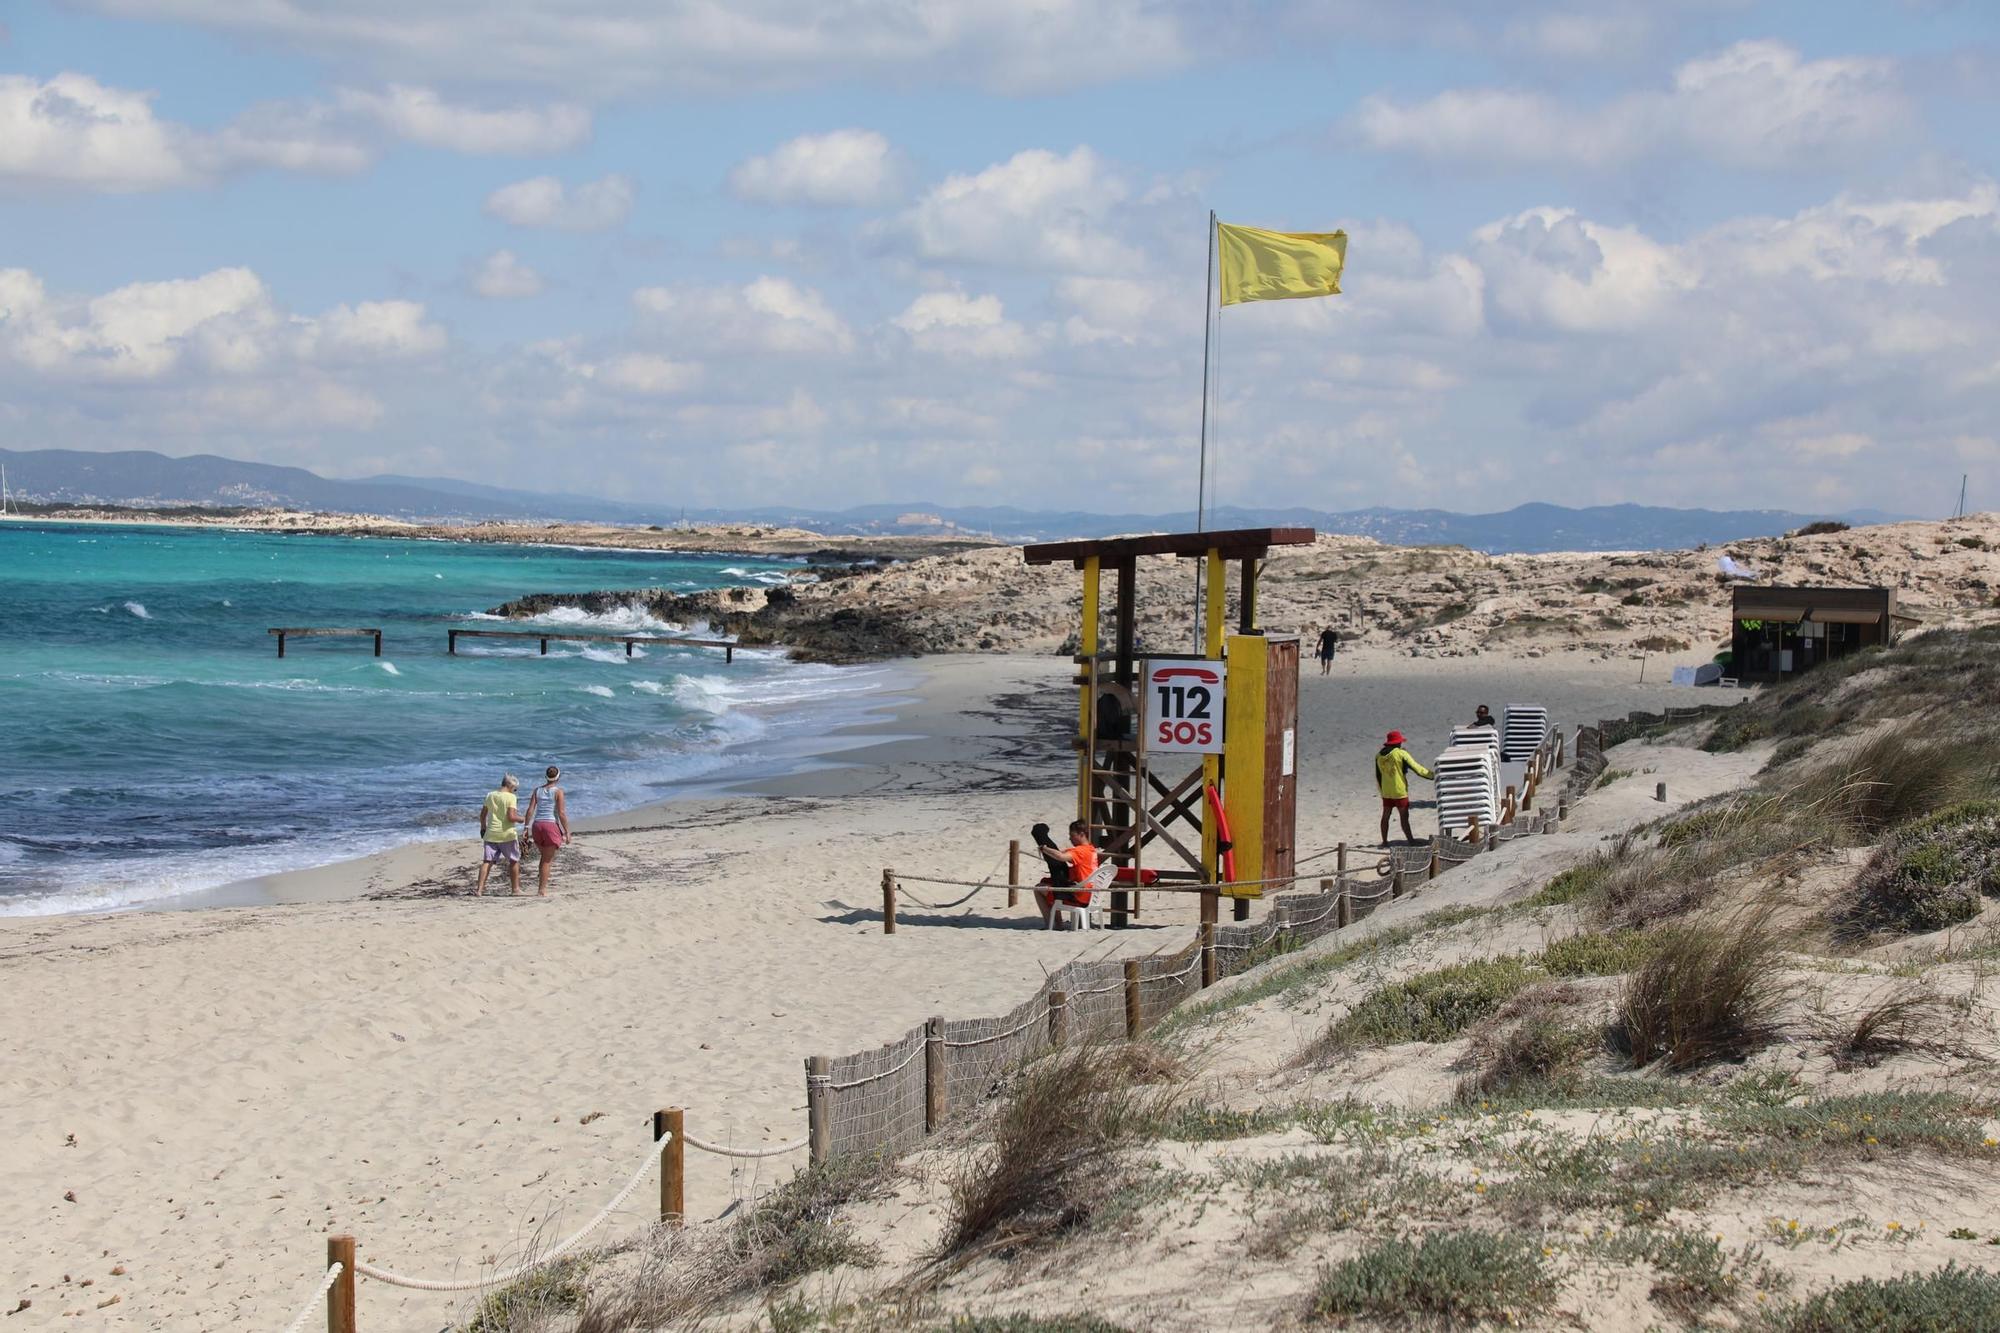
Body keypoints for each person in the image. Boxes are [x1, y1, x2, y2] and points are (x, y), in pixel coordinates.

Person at [1032, 819, 1099, 925]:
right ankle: (1056, 922)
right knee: (1053, 881)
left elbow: (1060, 856)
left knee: (1039, 888)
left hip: (1079, 896)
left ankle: (1053, 923)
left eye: (1072, 835)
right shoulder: (1091, 849)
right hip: (1091, 894)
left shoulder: (1080, 851)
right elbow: (1064, 853)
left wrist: (1044, 848)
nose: (1070, 838)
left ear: (1081, 834)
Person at [1375, 731, 1433, 846]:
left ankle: (1385, 841)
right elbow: (1417, 768)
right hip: (1399, 790)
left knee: (1386, 815)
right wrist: (1432, 775)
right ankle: (1411, 840)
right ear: (1397, 743)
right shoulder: (1401, 754)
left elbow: (1378, 775)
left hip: (1386, 791)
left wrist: (1382, 791)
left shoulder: (1378, 756)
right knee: (1404, 816)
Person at [522, 765, 571, 897]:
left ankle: (542, 882)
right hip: (550, 825)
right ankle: (542, 889)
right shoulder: (558, 792)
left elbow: (530, 810)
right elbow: (561, 813)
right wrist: (567, 831)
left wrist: (526, 828)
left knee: (544, 858)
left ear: (546, 777)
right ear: (558, 777)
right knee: (546, 860)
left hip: (537, 826)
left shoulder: (537, 790)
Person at [475, 773, 523, 896]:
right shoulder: (511, 797)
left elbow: (482, 815)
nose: (515, 791)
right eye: (515, 789)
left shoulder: (490, 795)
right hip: (507, 834)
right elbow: (511, 817)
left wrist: (483, 827)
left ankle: (479, 890)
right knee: (513, 861)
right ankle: (515, 889)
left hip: (491, 833)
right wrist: (522, 819)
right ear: (510, 785)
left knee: (487, 861)